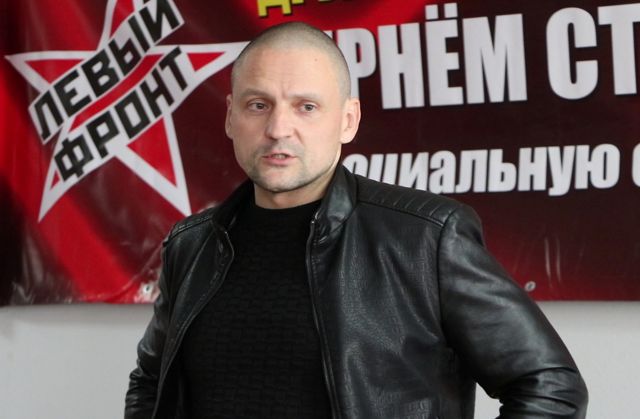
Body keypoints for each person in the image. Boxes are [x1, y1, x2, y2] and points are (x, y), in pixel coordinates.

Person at [125, 22, 588, 419]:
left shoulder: (426, 237)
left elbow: (551, 386)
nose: (278, 129)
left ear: (348, 120)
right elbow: (150, 382)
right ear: (230, 116)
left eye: (306, 107)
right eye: (258, 105)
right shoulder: (192, 245)